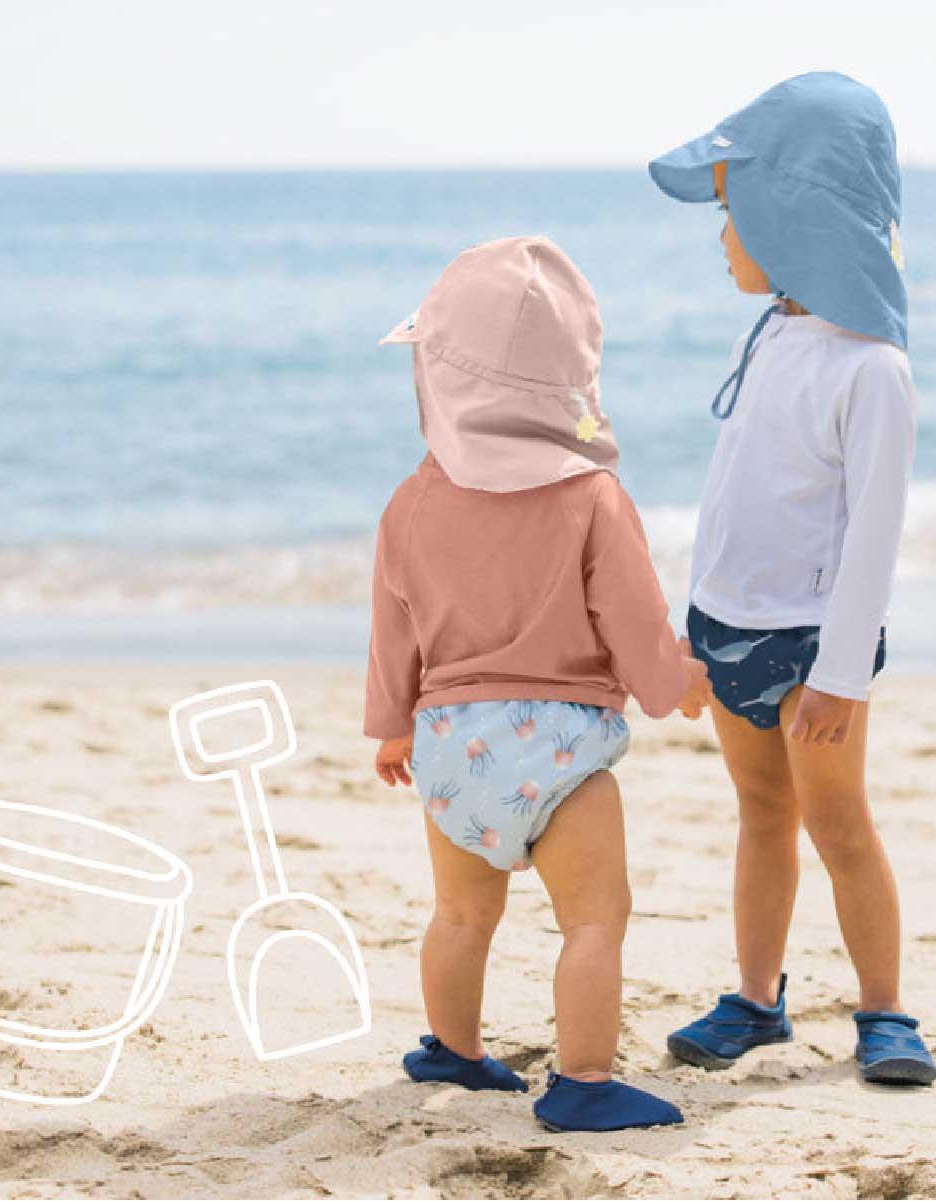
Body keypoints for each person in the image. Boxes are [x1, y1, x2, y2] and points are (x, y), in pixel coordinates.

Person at [364, 235, 708, 1130]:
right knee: (592, 919)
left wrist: (392, 724)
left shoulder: (411, 501)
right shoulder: (591, 495)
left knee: (458, 914)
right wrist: (674, 684)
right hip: (559, 747)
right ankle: (584, 1081)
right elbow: (632, 621)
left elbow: (393, 626)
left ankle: (453, 1050)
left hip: (449, 742)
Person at [648, 71, 936, 1085]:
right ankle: (755, 997)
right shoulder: (773, 331)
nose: (723, 237)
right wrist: (689, 631)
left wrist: (840, 675)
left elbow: (874, 538)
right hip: (725, 625)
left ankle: (884, 1009)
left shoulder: (872, 368)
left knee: (838, 822)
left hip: (813, 642)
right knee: (760, 811)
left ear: (792, 215)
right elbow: (731, 493)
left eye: (733, 215)